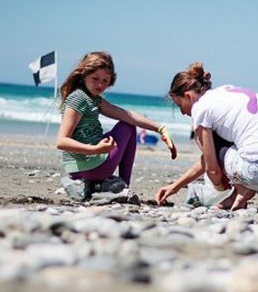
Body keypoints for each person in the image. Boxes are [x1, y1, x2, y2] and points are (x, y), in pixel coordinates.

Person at [156, 62, 258, 210]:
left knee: (215, 144)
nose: (183, 112)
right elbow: (209, 158)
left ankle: (243, 189)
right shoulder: (227, 91)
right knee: (231, 145)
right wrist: (175, 186)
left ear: (188, 96)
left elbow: (212, 169)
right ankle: (238, 194)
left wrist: (219, 185)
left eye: (180, 105)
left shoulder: (200, 108)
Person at [56, 51, 177, 200]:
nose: (100, 84)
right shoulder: (78, 99)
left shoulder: (93, 99)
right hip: (90, 166)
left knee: (128, 122)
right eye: (95, 79)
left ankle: (111, 185)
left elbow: (125, 114)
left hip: (81, 167)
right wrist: (95, 149)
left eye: (105, 81)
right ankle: (123, 186)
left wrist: (160, 128)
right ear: (83, 75)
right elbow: (61, 141)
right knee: (128, 126)